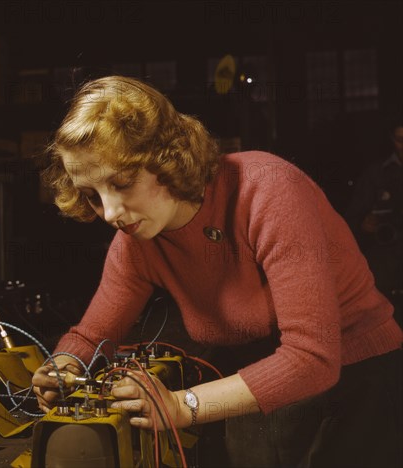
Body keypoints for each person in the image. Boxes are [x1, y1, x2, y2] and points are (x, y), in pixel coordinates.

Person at [32, 76, 402, 467]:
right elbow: (91, 336)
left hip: (357, 381)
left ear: (165, 158)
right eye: (92, 195)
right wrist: (63, 366)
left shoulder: (268, 190)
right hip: (256, 378)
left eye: (122, 183)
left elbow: (312, 358)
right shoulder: (136, 240)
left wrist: (179, 404)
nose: (110, 213)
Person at [345, 123, 403, 326]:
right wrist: (363, 223)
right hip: (386, 258)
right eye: (400, 140)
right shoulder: (375, 173)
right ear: (391, 139)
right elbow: (351, 217)